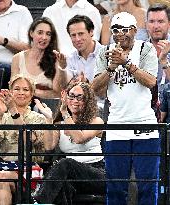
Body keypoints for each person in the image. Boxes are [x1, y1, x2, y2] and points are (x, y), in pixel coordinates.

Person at [92, 12, 160, 205]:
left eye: (125, 30)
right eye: (115, 30)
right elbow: (96, 88)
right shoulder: (106, 52)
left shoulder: (145, 49)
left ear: (134, 30)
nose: (120, 34)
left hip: (145, 126)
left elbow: (151, 81)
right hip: (117, 127)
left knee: (147, 185)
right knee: (115, 186)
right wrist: (111, 67)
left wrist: (127, 63)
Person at [0, 74, 53, 205]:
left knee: (2, 176)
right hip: (5, 166)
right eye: (17, 89)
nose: (21, 92)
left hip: (29, 167)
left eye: (26, 90)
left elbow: (28, 141)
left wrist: (13, 110)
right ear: (10, 92)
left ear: (32, 95)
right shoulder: (2, 117)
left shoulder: (38, 118)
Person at [33, 81, 105, 204]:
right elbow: (49, 146)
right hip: (71, 176)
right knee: (63, 185)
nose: (74, 100)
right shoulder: (59, 125)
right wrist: (49, 119)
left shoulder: (96, 121)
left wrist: (65, 113)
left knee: (65, 163)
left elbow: (79, 139)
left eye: (79, 97)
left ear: (87, 101)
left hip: (97, 173)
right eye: (71, 96)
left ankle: (39, 202)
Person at [11, 17, 67, 99]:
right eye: (40, 33)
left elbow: (58, 93)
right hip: (22, 105)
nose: (44, 37)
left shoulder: (56, 59)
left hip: (48, 106)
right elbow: (14, 89)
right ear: (31, 33)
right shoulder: (17, 58)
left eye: (48, 34)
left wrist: (62, 68)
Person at [66, 15, 103, 83]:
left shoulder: (107, 54)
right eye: (73, 35)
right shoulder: (70, 59)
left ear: (91, 32)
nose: (77, 39)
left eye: (81, 34)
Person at [146, 3, 170, 95]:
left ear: (169, 24)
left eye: (160, 21)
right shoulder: (139, 49)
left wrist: (164, 62)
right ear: (146, 24)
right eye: (151, 21)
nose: (156, 26)